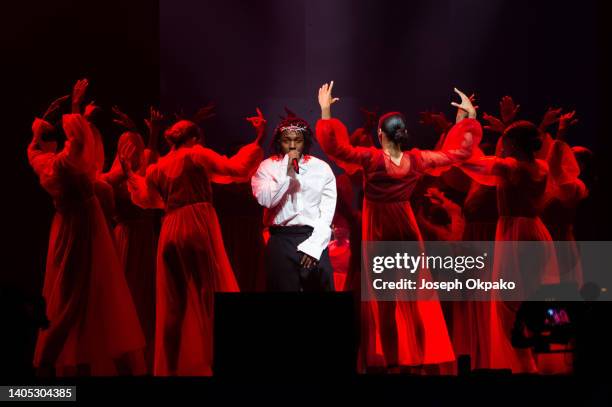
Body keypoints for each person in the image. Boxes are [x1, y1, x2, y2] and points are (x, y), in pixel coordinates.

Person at [315, 81, 481, 372]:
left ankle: (393, 364)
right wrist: (467, 120)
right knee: (413, 299)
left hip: (380, 233)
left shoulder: (370, 158)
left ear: (380, 134)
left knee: (386, 305)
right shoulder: (416, 160)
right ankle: (415, 361)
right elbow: (457, 154)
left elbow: (335, 147)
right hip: (406, 230)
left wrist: (326, 111)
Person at [120, 109, 265, 376]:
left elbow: (145, 199)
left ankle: (171, 367)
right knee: (208, 294)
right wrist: (258, 139)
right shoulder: (197, 154)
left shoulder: (158, 167)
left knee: (174, 304)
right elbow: (236, 169)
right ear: (194, 137)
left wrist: (131, 173)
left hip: (170, 227)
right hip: (197, 223)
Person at [28, 79, 146, 376]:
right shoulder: (64, 165)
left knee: (84, 294)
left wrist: (50, 117)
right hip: (81, 230)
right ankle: (48, 362)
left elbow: (43, 146)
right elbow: (78, 143)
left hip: (72, 228)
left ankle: (73, 359)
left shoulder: (44, 162)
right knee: (76, 296)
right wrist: (75, 107)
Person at [251, 109, 337, 292]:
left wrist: (314, 247)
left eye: (297, 141)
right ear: (278, 142)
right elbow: (267, 200)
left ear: (305, 142)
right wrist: (286, 171)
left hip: (313, 236)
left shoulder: (321, 169)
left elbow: (327, 214)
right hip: (280, 240)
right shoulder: (267, 167)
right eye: (286, 141)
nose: (292, 146)